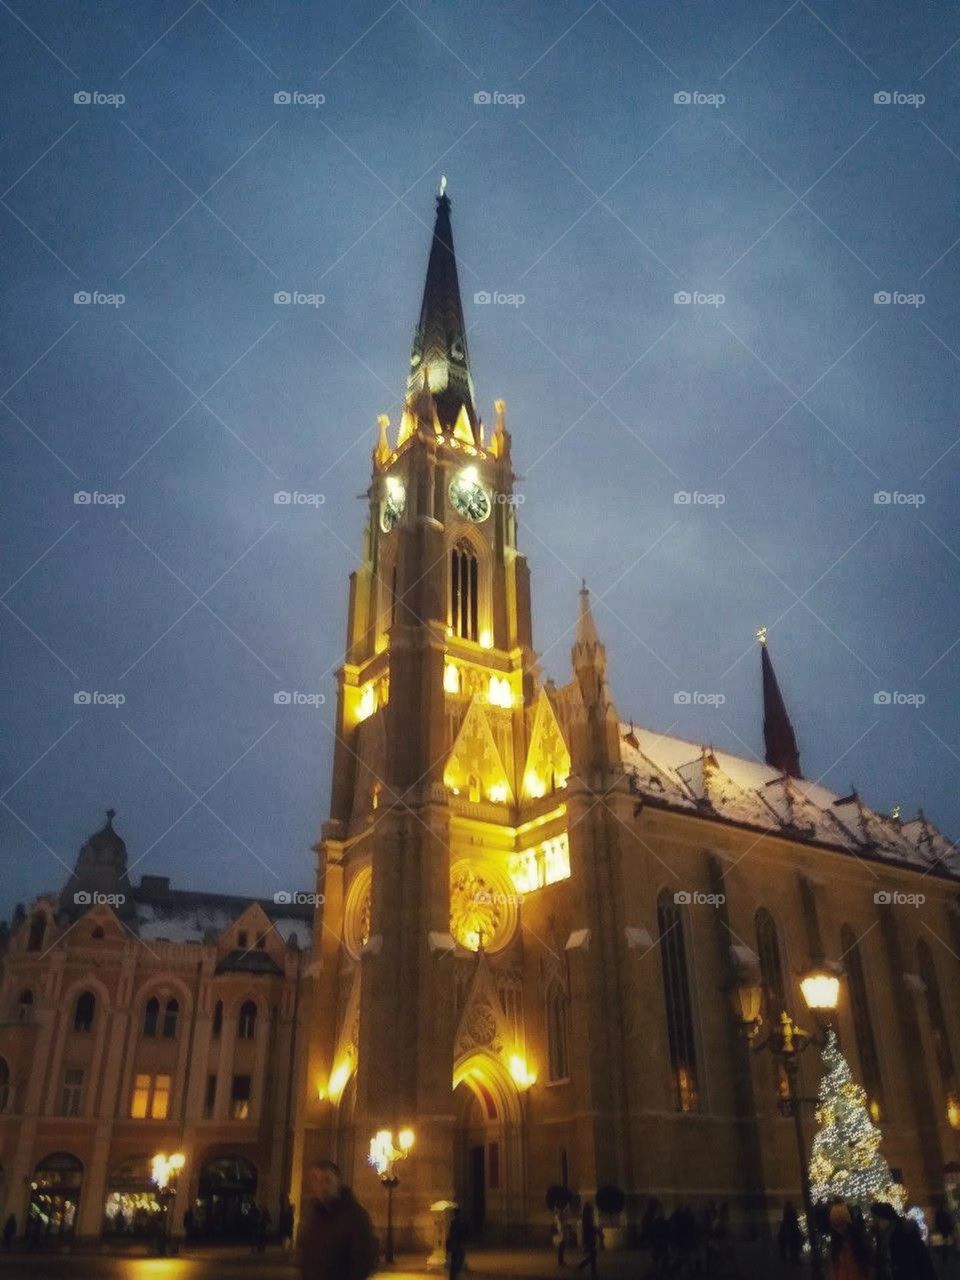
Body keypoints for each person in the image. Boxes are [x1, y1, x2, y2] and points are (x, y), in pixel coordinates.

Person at [296, 1159, 378, 1280]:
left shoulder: (356, 1216)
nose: (321, 1186)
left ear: (338, 1182)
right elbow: (306, 1254)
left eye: (327, 1180)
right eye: (316, 1180)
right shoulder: (313, 1214)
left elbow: (365, 1260)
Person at [871, 1201, 937, 1280]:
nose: (874, 1222)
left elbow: (922, 1257)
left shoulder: (904, 1230)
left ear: (884, 1218)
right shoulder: (881, 1236)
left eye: (876, 1219)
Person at [827, 1203, 873, 1280]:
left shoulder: (860, 1240)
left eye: (841, 1224)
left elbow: (869, 1266)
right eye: (836, 1225)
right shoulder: (835, 1243)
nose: (839, 1229)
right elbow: (834, 1268)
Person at [576, 1202, 598, 1279]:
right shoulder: (588, 1217)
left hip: (588, 1238)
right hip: (590, 1238)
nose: (593, 1211)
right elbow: (590, 1227)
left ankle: (591, 1270)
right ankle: (583, 1266)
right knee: (593, 1254)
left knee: (593, 1254)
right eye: (592, 1209)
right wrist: (596, 1230)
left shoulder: (586, 1217)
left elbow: (588, 1227)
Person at [446, 1205, 467, 1280]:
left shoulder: (453, 1222)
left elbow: (451, 1233)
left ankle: (453, 1275)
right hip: (458, 1243)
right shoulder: (459, 1221)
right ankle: (455, 1273)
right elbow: (461, 1233)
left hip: (455, 1243)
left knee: (455, 1259)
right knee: (460, 1257)